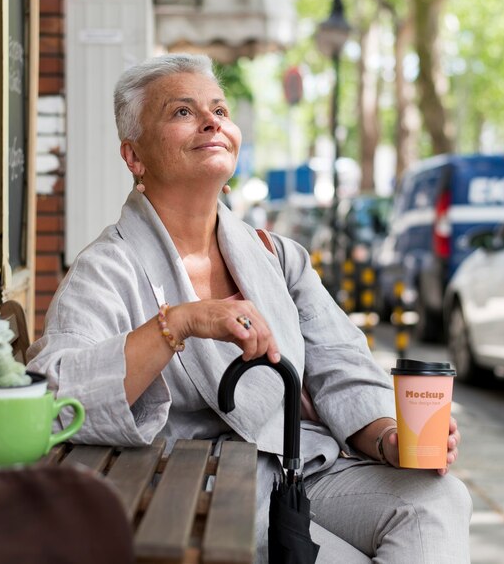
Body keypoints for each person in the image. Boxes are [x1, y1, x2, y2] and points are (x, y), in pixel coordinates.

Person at [27, 53, 471, 563]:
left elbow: (342, 366)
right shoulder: (108, 268)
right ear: (134, 156)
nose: (212, 121)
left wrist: (390, 436)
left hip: (302, 466)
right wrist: (178, 323)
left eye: (219, 109)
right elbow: (56, 396)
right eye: (182, 112)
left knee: (437, 500)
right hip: (198, 486)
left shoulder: (277, 257)